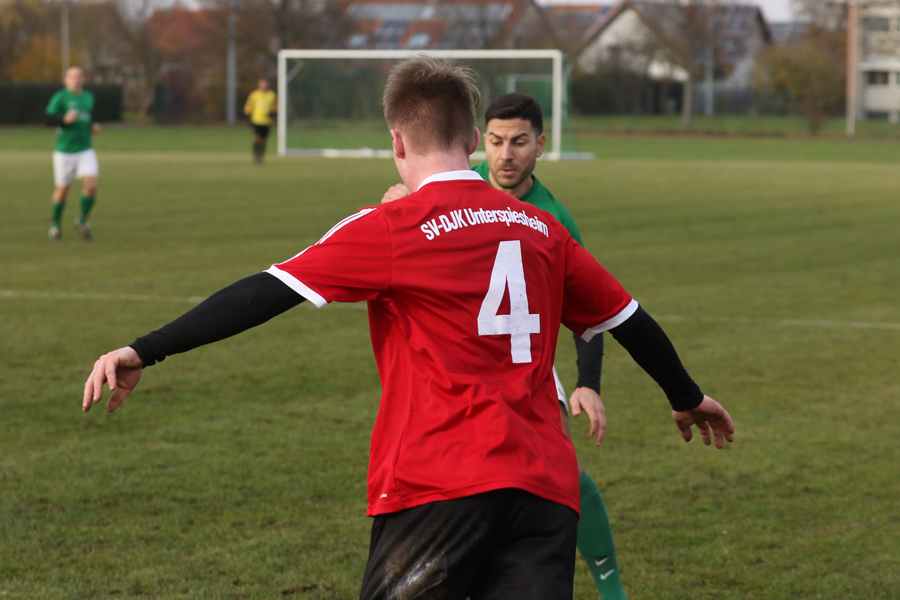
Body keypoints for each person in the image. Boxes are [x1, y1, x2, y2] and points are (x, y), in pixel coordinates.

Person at [83, 57, 734, 600]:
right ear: (474, 139)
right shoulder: (543, 228)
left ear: (397, 142)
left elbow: (265, 292)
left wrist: (146, 349)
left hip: (438, 483)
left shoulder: (392, 227)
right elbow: (629, 320)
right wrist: (686, 396)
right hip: (543, 489)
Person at [381, 92, 628, 599]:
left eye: (519, 142)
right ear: (479, 142)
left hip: (522, 360)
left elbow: (593, 308)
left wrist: (588, 383)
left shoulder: (553, 217)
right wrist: (399, 204)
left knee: (564, 474)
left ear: (541, 145)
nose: (505, 155)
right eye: (495, 141)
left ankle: (612, 591)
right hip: (455, 356)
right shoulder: (456, 184)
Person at [45, 65, 101, 241]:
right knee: (62, 190)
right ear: (66, 80)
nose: (76, 80)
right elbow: (48, 119)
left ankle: (81, 221)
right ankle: (56, 224)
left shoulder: (89, 97)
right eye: (72, 76)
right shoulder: (60, 97)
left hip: (85, 149)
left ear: (83, 79)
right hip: (64, 152)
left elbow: (88, 117)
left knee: (91, 184)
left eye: (79, 76)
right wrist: (63, 120)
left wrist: (92, 126)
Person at [243, 78, 277, 164]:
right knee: (257, 138)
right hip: (256, 120)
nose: (264, 86)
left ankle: (261, 156)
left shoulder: (271, 95)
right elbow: (248, 106)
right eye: (262, 84)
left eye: (265, 84)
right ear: (259, 85)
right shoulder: (254, 94)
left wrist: (273, 113)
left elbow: (275, 107)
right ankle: (256, 156)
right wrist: (248, 117)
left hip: (267, 121)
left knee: (264, 140)